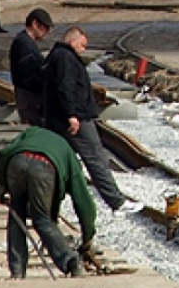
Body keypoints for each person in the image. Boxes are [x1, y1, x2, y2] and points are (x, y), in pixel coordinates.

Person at [43, 26, 143, 215]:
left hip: (64, 117)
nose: (83, 50)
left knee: (61, 161)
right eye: (82, 45)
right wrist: (71, 115)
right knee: (96, 158)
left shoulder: (58, 55)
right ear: (72, 40)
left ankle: (46, 200)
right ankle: (116, 202)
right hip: (77, 118)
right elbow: (65, 88)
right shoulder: (65, 58)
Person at [0, 126, 96, 279]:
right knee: (42, 219)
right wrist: (87, 236)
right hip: (44, 168)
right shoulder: (67, 152)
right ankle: (71, 262)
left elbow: (4, 153)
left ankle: (17, 270)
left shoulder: (32, 132)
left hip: (17, 162)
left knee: (16, 215)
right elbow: (83, 201)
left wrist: (2, 185)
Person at [9, 9, 54, 126]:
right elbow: (29, 75)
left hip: (27, 96)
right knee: (34, 126)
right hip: (28, 98)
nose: (47, 31)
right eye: (45, 27)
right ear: (34, 24)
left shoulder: (25, 42)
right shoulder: (24, 44)